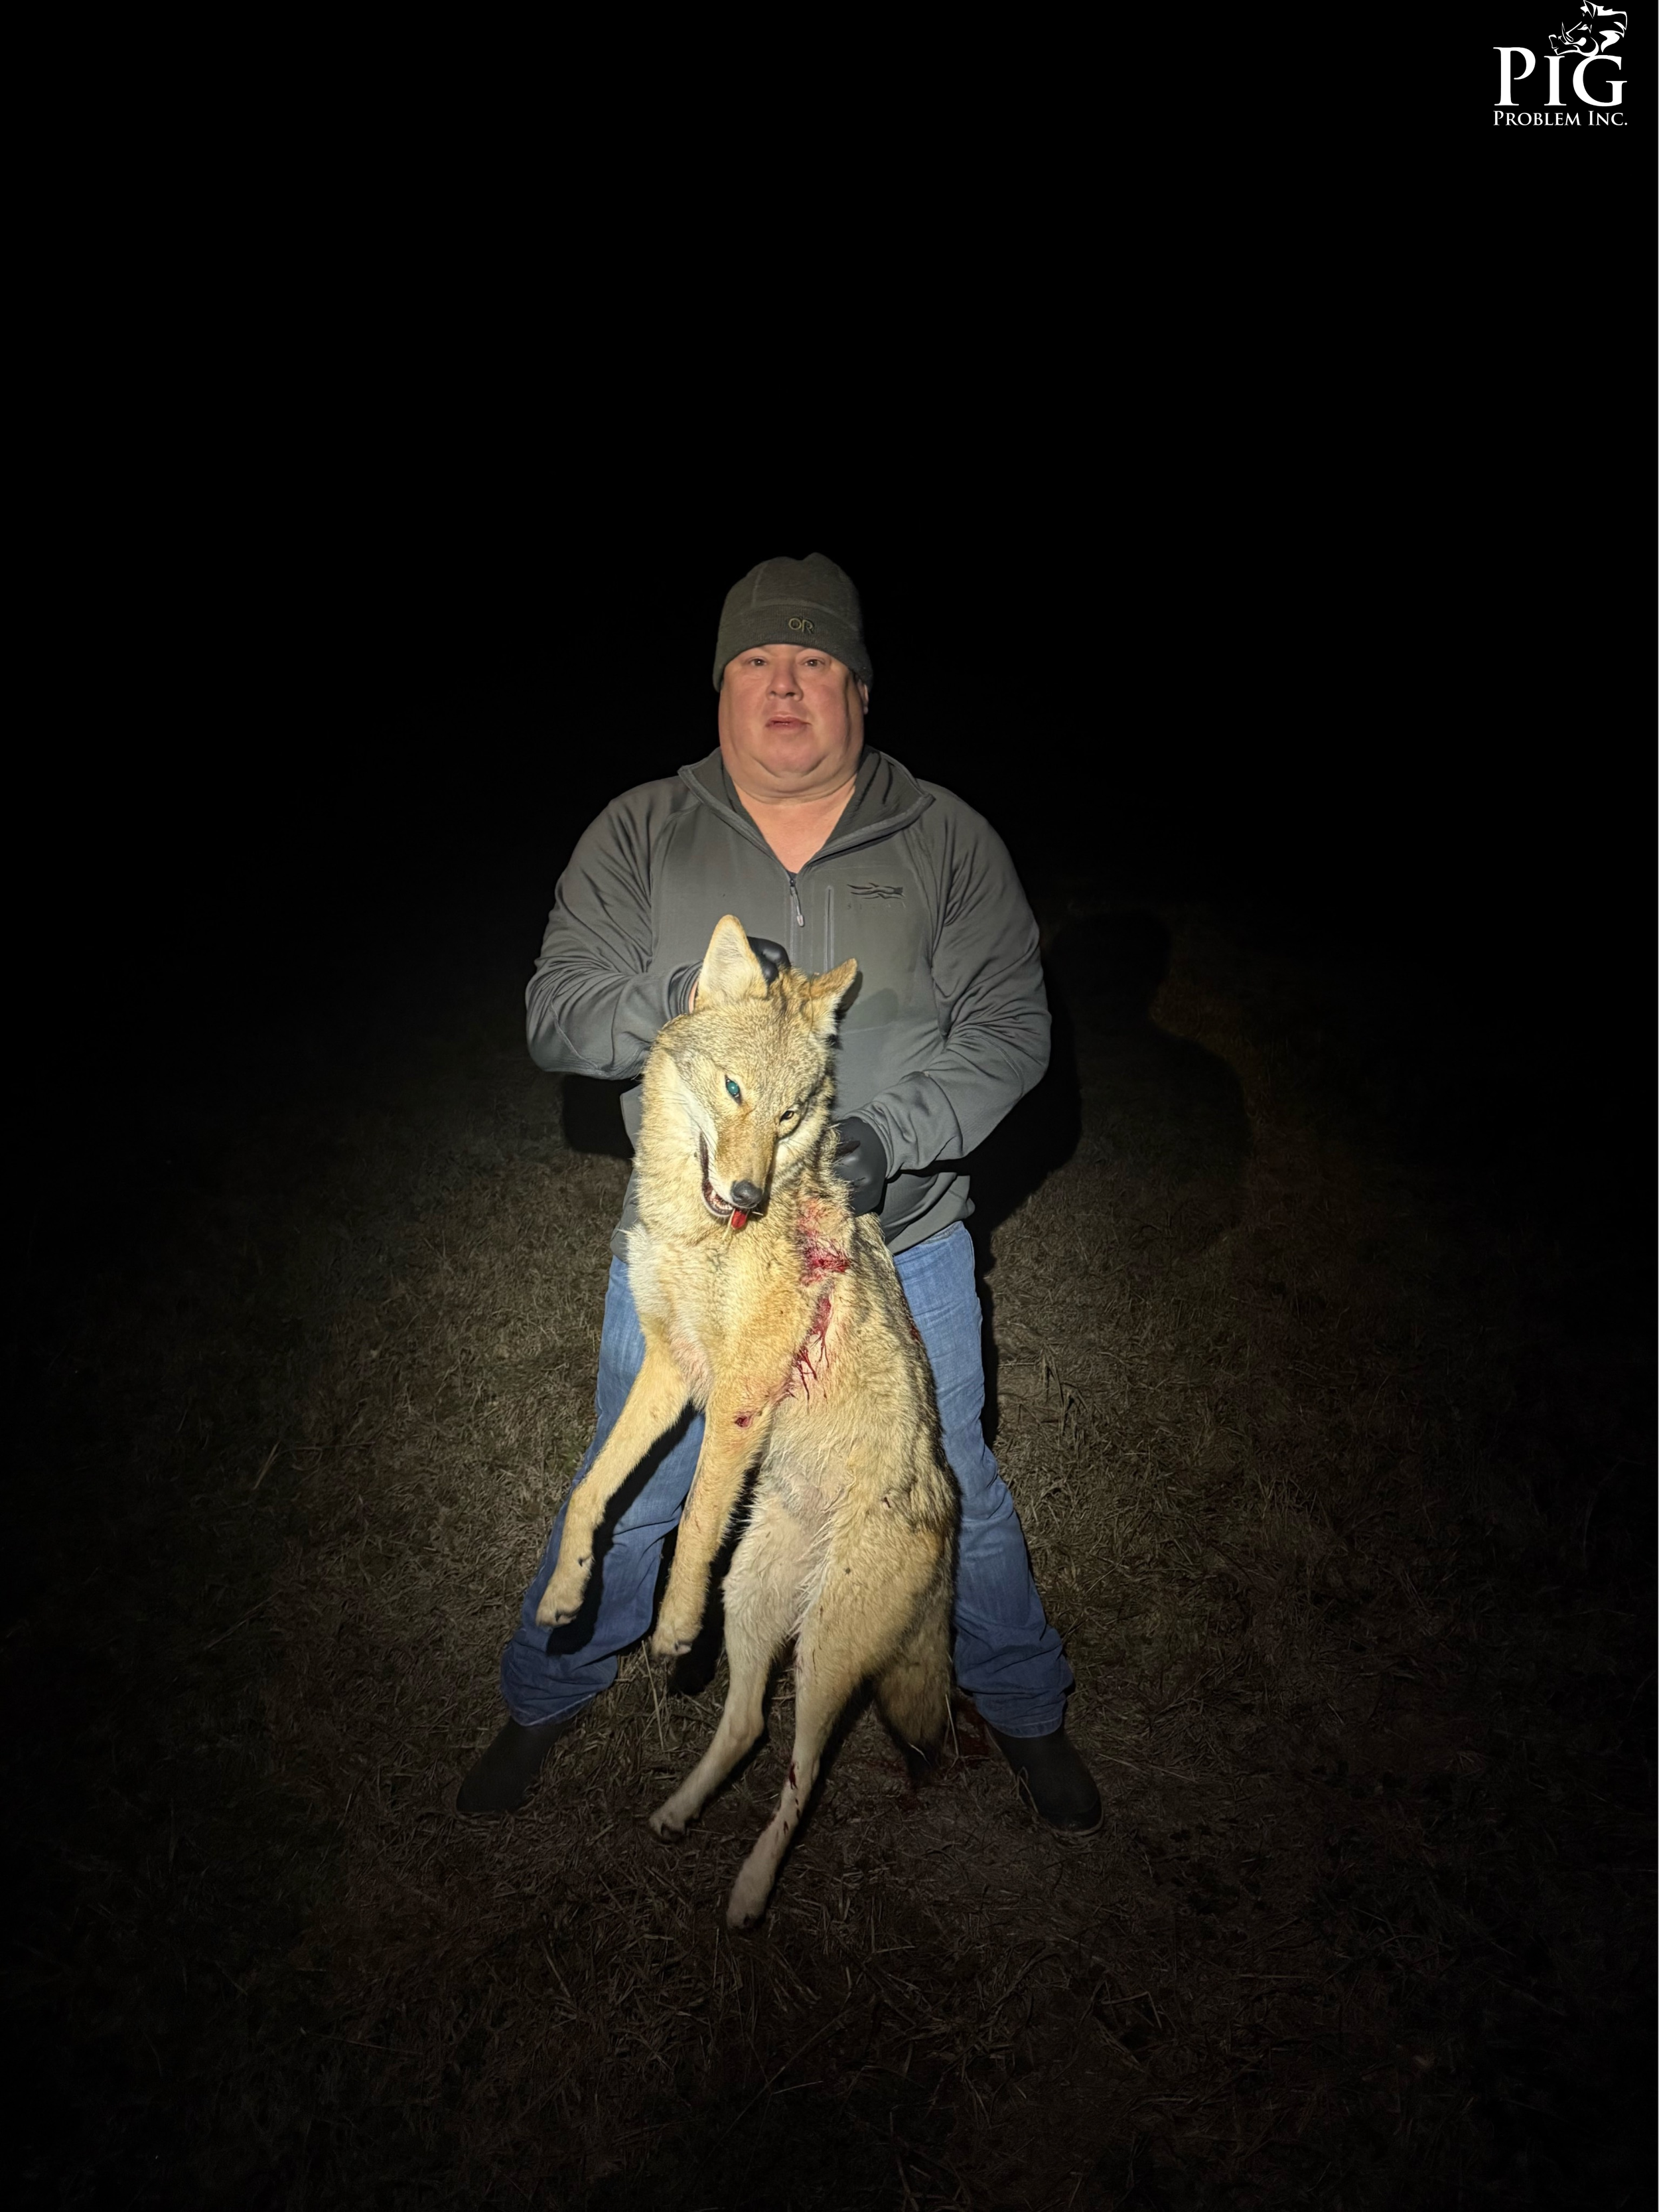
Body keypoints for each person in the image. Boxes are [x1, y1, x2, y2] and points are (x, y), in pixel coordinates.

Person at [457, 553, 1100, 1831]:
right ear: (720, 690)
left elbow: (1014, 1028)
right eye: (759, 661)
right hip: (696, 1240)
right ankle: (548, 1691)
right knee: (638, 1467)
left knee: (936, 1479)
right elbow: (555, 1009)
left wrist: (895, 1134)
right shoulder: (641, 830)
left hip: (891, 1240)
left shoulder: (949, 840)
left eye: (816, 662)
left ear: (861, 690)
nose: (786, 685)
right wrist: (695, 1019)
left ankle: (1025, 1707)